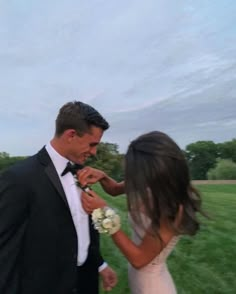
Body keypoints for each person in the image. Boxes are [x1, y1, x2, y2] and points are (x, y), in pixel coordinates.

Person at [0, 101, 117, 294]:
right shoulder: (18, 178)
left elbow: (83, 227)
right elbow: (4, 252)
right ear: (71, 135)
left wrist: (100, 265)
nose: (94, 152)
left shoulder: (82, 173)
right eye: (92, 144)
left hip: (86, 281)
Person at [77, 131, 204, 294]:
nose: (135, 179)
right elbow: (115, 189)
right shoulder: (148, 181)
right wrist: (103, 176)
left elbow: (138, 259)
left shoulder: (173, 208)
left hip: (153, 287)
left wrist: (103, 213)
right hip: (139, 281)